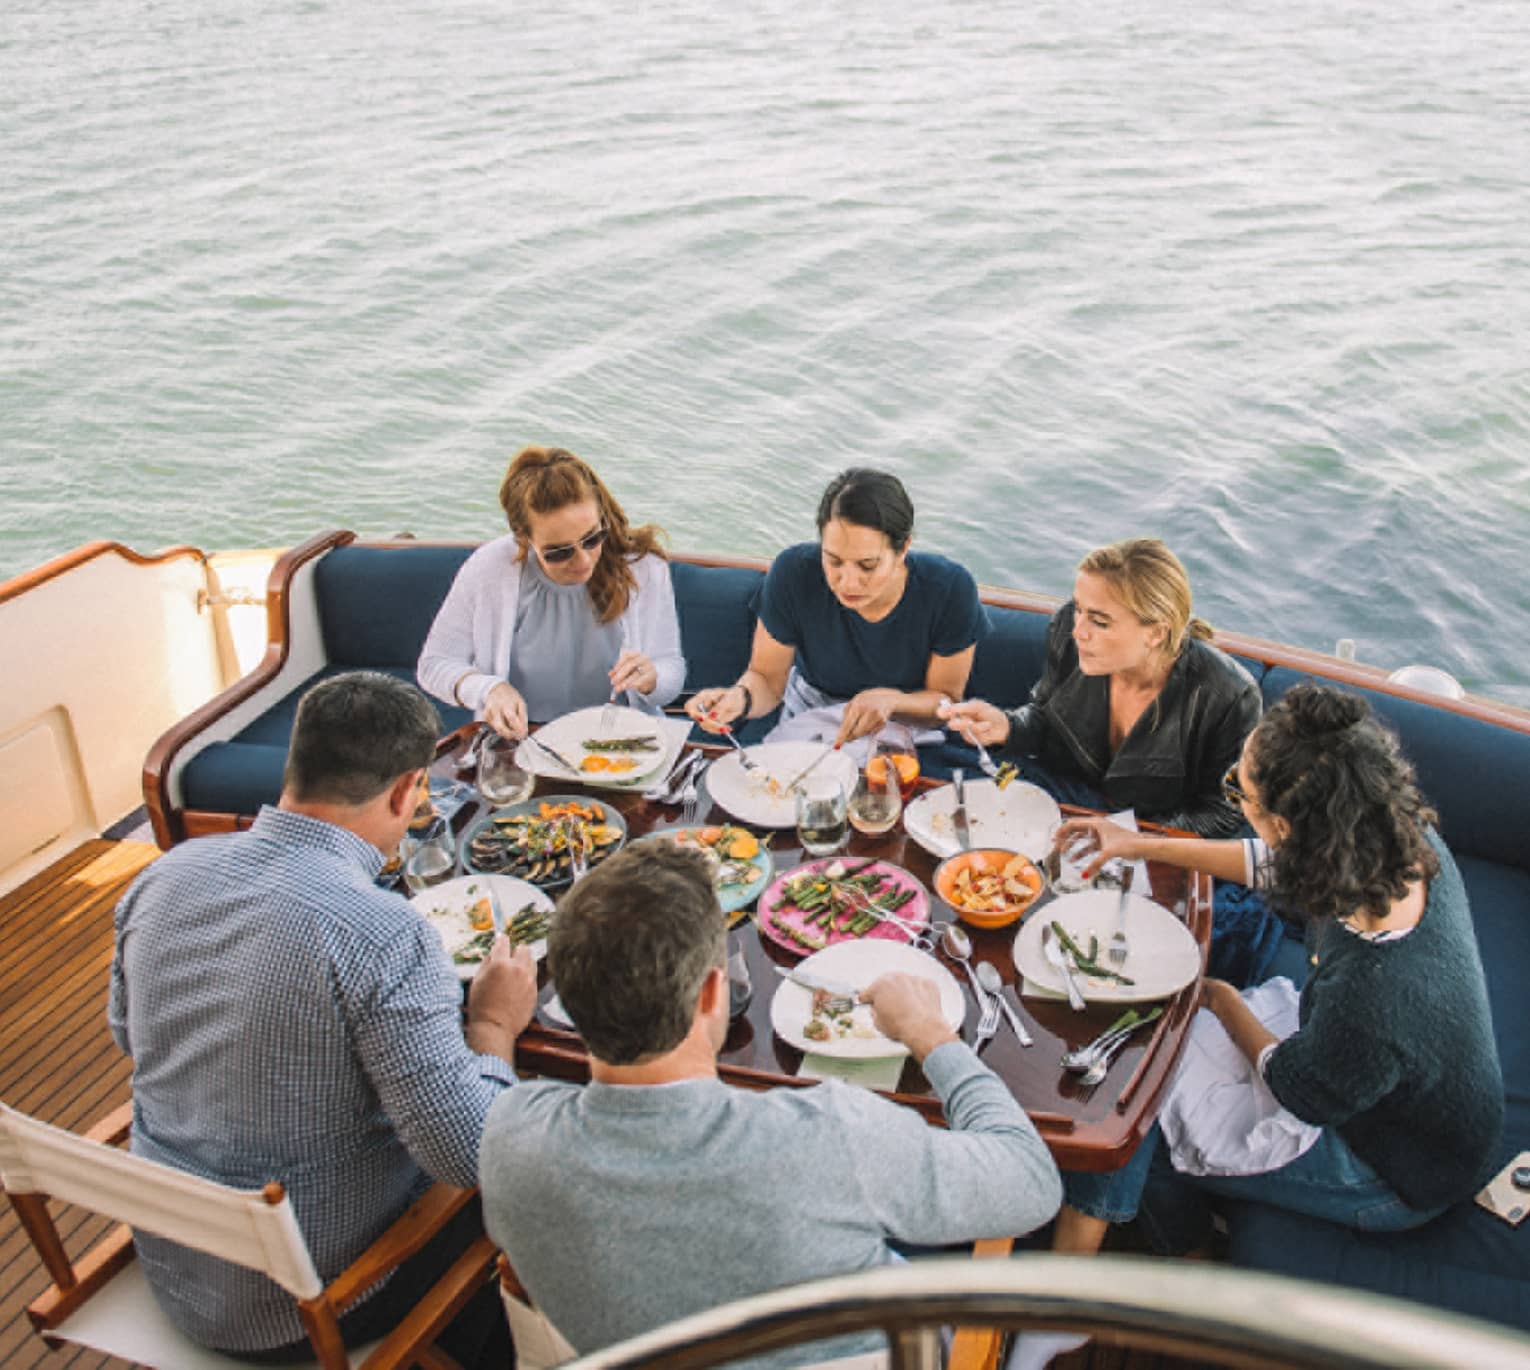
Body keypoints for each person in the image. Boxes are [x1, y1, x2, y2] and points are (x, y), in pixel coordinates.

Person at [479, 836, 1063, 1366]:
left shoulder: (508, 1143)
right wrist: (931, 1035)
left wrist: (490, 1026)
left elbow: (487, 1104)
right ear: (715, 992)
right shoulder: (833, 1137)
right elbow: (1032, 1183)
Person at [109, 672, 539, 1360]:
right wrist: (493, 1027)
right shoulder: (383, 933)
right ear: (406, 791)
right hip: (303, 1304)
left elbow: (130, 1036)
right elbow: (467, 1154)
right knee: (529, 1190)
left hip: (174, 1261)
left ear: (296, 764)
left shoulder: (163, 875)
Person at [1049, 682, 1504, 1257]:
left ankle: (1174, 1248)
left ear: (1287, 825)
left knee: (1140, 1117)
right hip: (1372, 1071)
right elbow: (1273, 865)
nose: (1233, 794)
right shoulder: (1397, 843)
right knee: (1151, 1065)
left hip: (1395, 1164)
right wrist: (1138, 845)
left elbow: (1298, 1088)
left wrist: (1216, 997)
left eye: (1237, 788)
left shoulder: (1374, 995)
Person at [941, 537, 1259, 837]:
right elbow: (1045, 719)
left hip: (1155, 836)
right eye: (1079, 608)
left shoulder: (1229, 695)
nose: (1078, 630)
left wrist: (1133, 837)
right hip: (1064, 804)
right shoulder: (1067, 629)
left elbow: (1224, 813)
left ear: (1156, 634)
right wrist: (1007, 726)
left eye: (1100, 621)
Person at [684, 468, 988, 749]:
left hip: (907, 721)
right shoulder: (794, 572)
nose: (848, 582)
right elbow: (765, 678)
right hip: (811, 713)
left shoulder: (949, 588)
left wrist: (893, 701)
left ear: (903, 550)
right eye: (834, 561)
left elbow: (944, 702)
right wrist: (740, 698)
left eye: (867, 566)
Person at [417, 446, 684, 739]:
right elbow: (434, 665)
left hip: (624, 745)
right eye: (558, 552)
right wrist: (488, 689)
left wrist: (651, 679)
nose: (583, 561)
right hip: (522, 743)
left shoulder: (643, 567)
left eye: (593, 538)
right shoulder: (489, 569)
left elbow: (671, 672)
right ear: (524, 538)